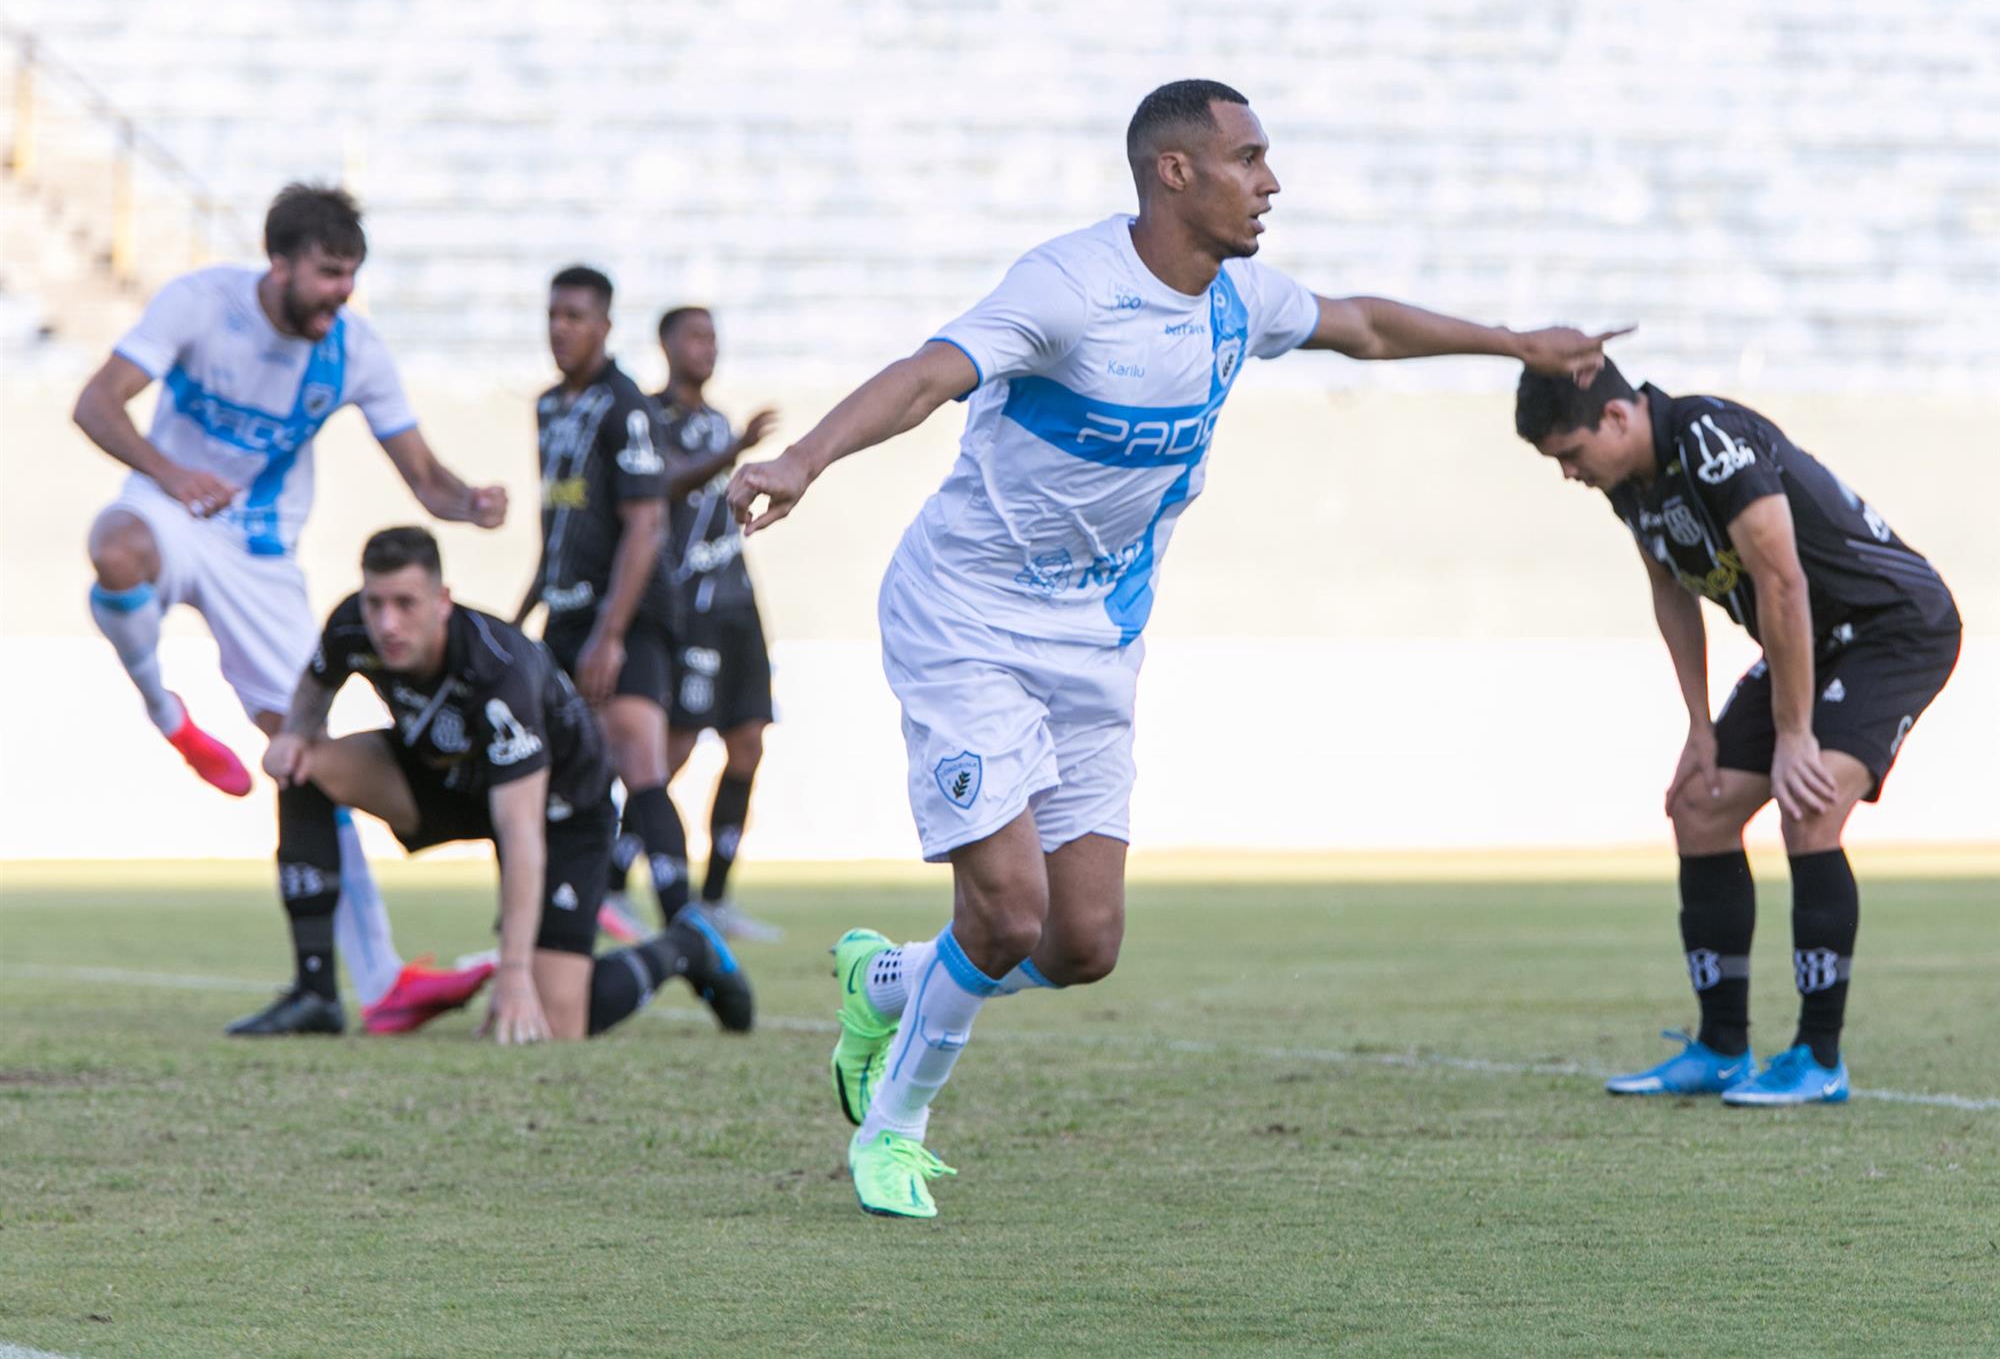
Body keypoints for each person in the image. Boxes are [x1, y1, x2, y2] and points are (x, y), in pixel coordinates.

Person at [727, 78, 1623, 1218]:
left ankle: (886, 980)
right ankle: (892, 1130)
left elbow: (1361, 326)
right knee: (1005, 909)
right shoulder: (1069, 288)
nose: (1270, 182)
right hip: (967, 620)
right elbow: (923, 377)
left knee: (1080, 941)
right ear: (1175, 171)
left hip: (1097, 638)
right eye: (1249, 158)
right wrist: (802, 459)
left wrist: (1513, 343)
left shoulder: (1241, 301)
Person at [73, 183, 507, 1035]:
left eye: (351, 275)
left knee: (304, 753)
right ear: (279, 263)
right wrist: (172, 476)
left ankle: (377, 979)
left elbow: (425, 477)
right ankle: (167, 712)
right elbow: (95, 403)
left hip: (262, 556)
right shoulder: (202, 304)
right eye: (328, 273)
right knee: (115, 548)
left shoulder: (353, 350)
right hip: (173, 509)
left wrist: (470, 503)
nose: (342, 292)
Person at [1514, 359, 1960, 1106]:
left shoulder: (1712, 441)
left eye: (1571, 452)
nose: (1568, 472)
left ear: (1616, 418)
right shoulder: (1628, 483)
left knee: (1809, 801)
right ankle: (1721, 1048)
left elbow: (1783, 581)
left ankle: (1819, 1058)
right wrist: (1699, 727)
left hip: (1893, 628)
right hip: (1808, 640)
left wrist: (1795, 735)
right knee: (1700, 803)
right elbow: (1670, 589)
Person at [233, 526, 753, 1040]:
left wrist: (516, 973)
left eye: (405, 604)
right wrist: (294, 734)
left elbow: (520, 832)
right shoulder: (353, 625)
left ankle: (685, 947)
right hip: (450, 778)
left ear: (442, 601)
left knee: (557, 1021)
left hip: (562, 807)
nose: (387, 623)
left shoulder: (497, 672)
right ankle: (316, 994)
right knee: (302, 764)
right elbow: (313, 689)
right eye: (376, 603)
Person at [512, 267, 732, 972]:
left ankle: (690, 936)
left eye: (575, 316)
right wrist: (520, 617)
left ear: (605, 326)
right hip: (566, 613)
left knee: (639, 756)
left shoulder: (625, 406)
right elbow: (558, 526)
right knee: (547, 770)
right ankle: (552, 922)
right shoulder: (549, 407)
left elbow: (645, 525)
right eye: (553, 314)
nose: (560, 328)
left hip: (628, 613)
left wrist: (610, 636)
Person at [647, 305, 781, 942]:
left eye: (713, 337)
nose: (708, 348)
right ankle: (610, 881)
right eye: (695, 337)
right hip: (689, 606)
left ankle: (717, 897)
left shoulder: (718, 421)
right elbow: (669, 484)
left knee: (748, 742)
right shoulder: (650, 419)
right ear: (666, 345)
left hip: (738, 603)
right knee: (671, 751)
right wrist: (737, 449)